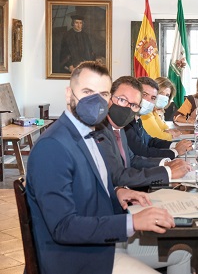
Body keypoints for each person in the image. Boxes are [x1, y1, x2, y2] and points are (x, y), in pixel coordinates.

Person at [26, 61, 177, 274]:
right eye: (87, 91)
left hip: (100, 241)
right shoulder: (52, 146)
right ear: (69, 94)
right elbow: (63, 227)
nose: (96, 100)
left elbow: (84, 190)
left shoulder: (91, 133)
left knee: (183, 252)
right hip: (75, 259)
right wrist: (132, 222)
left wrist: (118, 192)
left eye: (103, 94)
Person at [99, 76, 192, 188]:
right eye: (122, 100)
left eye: (133, 105)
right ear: (108, 97)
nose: (128, 108)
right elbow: (118, 176)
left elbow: (133, 160)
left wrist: (165, 164)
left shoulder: (121, 126)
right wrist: (167, 172)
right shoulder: (100, 131)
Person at [125, 77, 192, 159]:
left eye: (153, 98)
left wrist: (175, 145)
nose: (148, 100)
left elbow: (150, 141)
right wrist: (175, 151)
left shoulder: (137, 119)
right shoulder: (126, 121)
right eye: (144, 95)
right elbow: (142, 151)